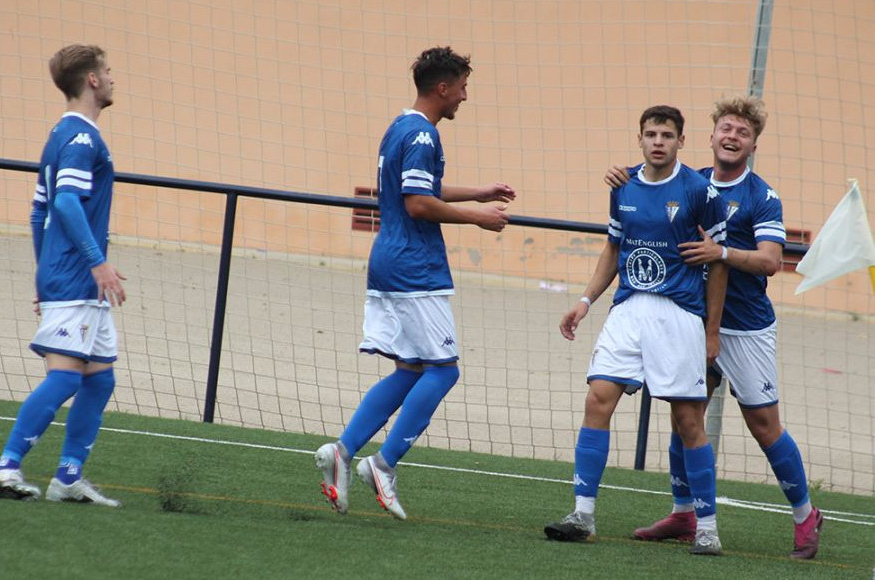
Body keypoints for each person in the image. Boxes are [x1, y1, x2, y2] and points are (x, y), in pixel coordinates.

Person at [604, 96, 823, 559]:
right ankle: (685, 513)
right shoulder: (693, 182)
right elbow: (644, 185)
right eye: (726, 128)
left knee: (764, 426)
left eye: (742, 133)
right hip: (694, 320)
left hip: (745, 328)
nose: (731, 137)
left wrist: (721, 253)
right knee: (687, 416)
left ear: (753, 144)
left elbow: (769, 261)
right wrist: (621, 176)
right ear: (710, 137)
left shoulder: (762, 197)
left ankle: (805, 514)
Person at [315, 46, 514, 520]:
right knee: (443, 370)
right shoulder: (423, 134)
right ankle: (382, 464)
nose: (465, 96)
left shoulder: (402, 126)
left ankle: (341, 453)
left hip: (391, 260)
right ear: (442, 88)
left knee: (409, 370)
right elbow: (418, 204)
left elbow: (421, 187)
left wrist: (478, 189)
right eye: (462, 87)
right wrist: (478, 218)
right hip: (414, 268)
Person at [544, 105, 728, 555]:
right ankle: (582, 515)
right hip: (627, 311)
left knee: (688, 420)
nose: (658, 141)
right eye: (651, 134)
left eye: (667, 134)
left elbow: (718, 265)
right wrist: (585, 302)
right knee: (597, 399)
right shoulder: (622, 185)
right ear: (640, 138)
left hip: (679, 314)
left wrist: (711, 331)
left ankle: (707, 526)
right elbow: (613, 247)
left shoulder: (700, 191)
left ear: (682, 141)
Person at [0, 44, 126, 507]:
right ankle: (5, 468)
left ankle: (67, 477)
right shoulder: (82, 139)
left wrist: (43, 271)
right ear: (93, 81)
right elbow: (62, 203)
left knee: (99, 379)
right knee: (64, 378)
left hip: (68, 277)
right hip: (80, 278)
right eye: (108, 71)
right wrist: (95, 262)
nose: (113, 78)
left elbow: (38, 208)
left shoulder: (60, 134)